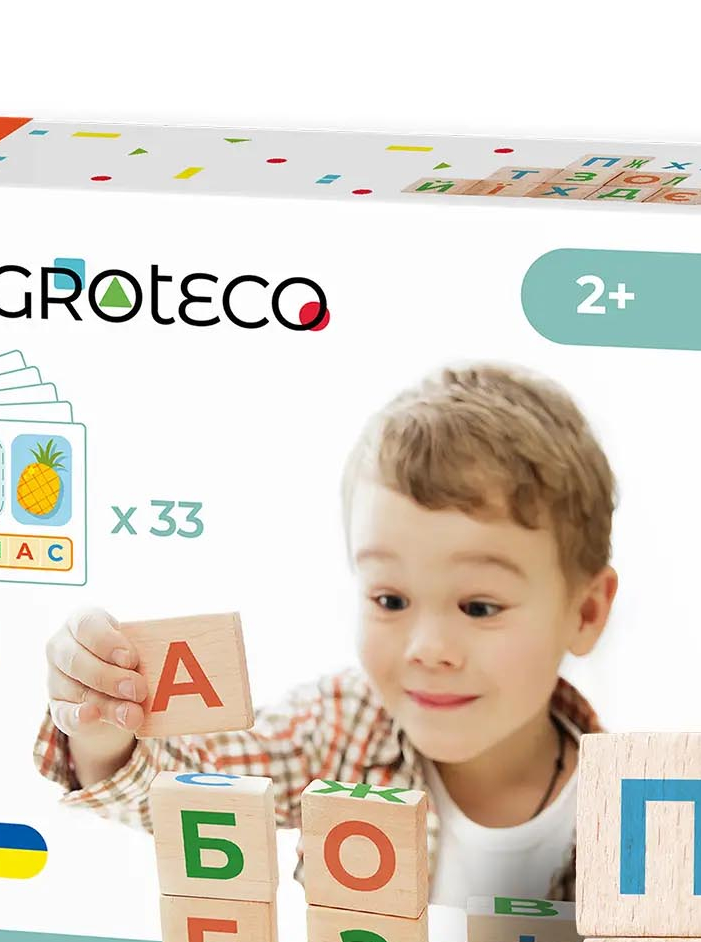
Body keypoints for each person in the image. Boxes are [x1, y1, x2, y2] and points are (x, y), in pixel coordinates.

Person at [33, 363, 619, 902]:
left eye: (480, 607)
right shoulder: (339, 732)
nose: (428, 649)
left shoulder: (630, 810)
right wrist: (105, 728)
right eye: (391, 600)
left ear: (586, 614)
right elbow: (189, 790)